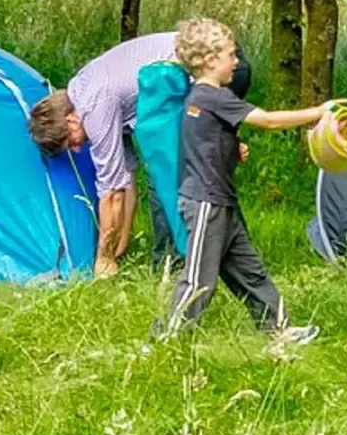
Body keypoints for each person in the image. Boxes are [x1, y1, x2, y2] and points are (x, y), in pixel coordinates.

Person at [155, 17, 329, 343]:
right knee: (198, 280)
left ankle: (278, 330)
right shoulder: (212, 95)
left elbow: (202, 140)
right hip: (207, 202)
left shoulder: (200, 99)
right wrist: (318, 112)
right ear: (209, 60)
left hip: (222, 200)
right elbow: (269, 120)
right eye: (231, 55)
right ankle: (166, 340)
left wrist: (233, 148)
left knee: (250, 271)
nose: (237, 62)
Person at [28, 32, 250, 277]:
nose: (78, 149)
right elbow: (125, 181)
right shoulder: (84, 92)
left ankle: (179, 267)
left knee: (167, 178)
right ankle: (223, 256)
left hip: (219, 66)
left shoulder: (94, 107)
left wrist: (103, 259)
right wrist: (117, 252)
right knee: (188, 170)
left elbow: (112, 194)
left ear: (70, 119)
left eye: (70, 143)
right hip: (209, 63)